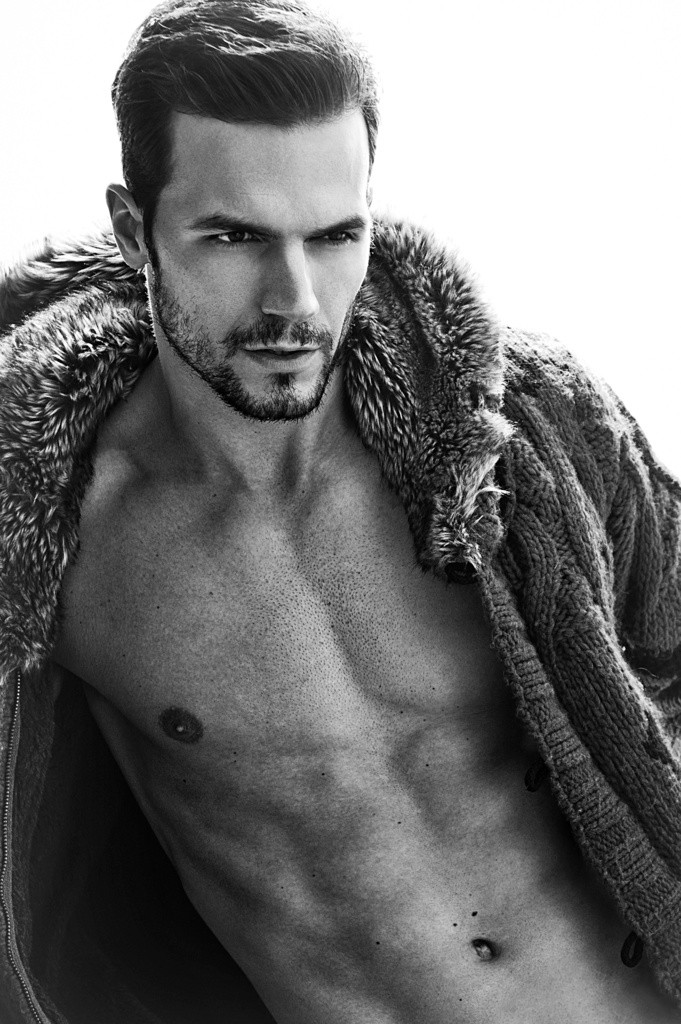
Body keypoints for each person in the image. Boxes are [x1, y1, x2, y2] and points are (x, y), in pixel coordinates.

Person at [0, 0, 679, 1021]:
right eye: (234, 236)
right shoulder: (54, 536)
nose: (296, 302)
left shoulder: (524, 432)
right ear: (134, 230)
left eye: (333, 236)